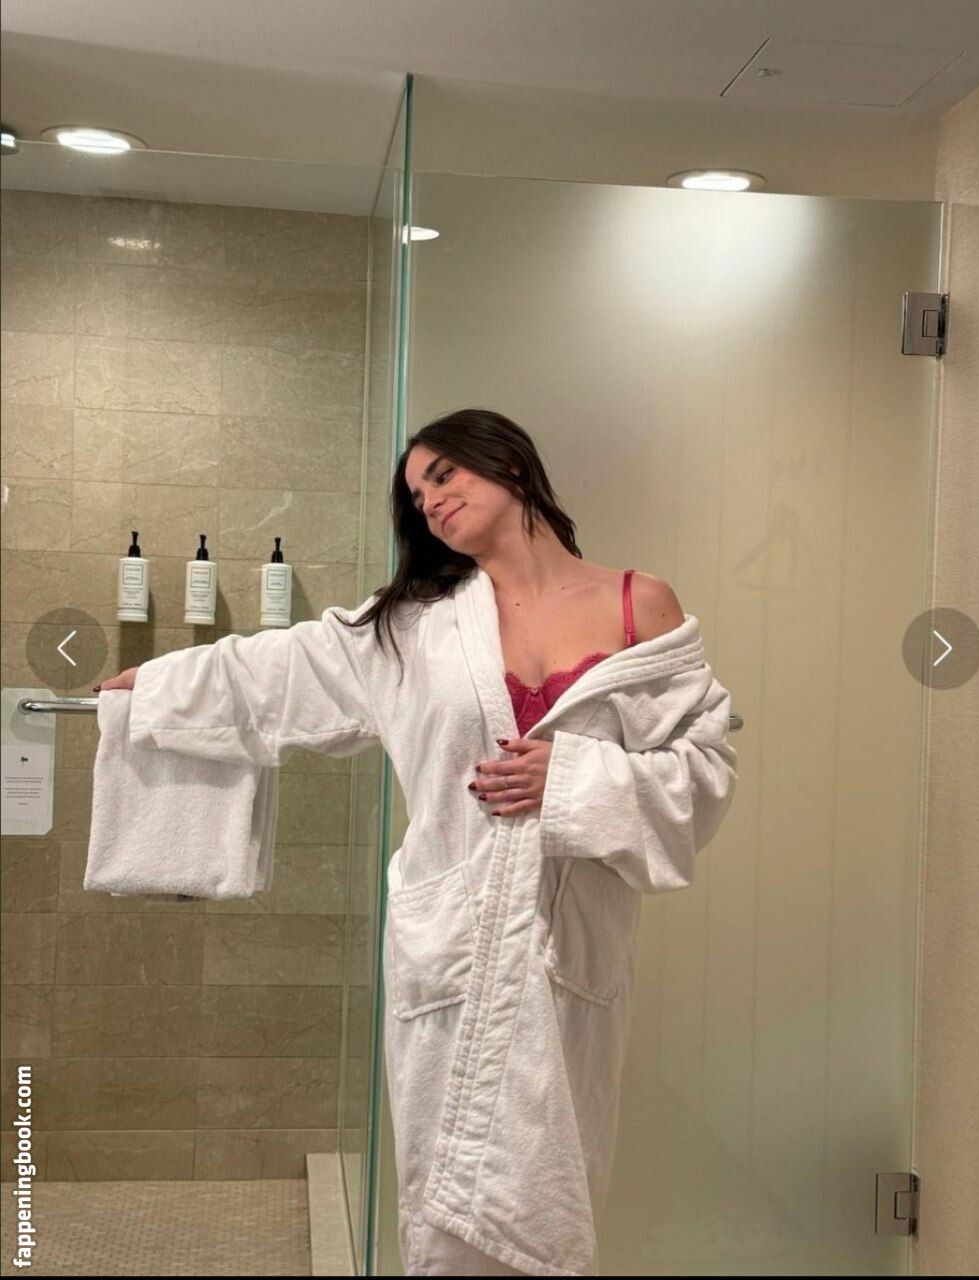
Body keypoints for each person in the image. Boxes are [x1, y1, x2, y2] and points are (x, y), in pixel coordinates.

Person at [98, 407, 738, 1275]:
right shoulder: (414, 624)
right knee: (444, 1198)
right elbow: (282, 670)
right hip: (451, 945)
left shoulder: (637, 602)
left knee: (553, 1188)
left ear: (510, 465)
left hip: (569, 948)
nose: (430, 501)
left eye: (444, 475)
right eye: (417, 494)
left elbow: (703, 769)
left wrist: (572, 779)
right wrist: (156, 688)